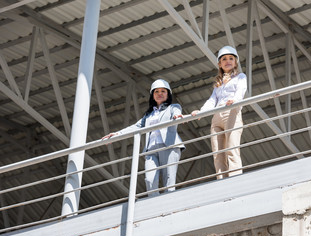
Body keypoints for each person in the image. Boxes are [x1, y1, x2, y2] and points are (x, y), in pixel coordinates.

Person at [102, 79, 185, 197]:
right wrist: (117, 134)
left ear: (168, 94)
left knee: (169, 180)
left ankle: (169, 206)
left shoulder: (172, 108)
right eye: (156, 91)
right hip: (151, 150)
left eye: (163, 91)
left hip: (169, 146)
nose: (160, 93)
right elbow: (135, 127)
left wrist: (177, 116)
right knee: (150, 179)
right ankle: (153, 206)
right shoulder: (148, 115)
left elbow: (177, 112)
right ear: (153, 95)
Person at [191, 46, 247, 179]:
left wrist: (235, 100)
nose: (228, 61)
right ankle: (222, 180)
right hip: (217, 116)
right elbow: (212, 100)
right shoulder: (218, 83)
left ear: (235, 62)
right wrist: (201, 112)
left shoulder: (240, 77)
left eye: (231, 58)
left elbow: (241, 91)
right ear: (219, 64)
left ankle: (235, 179)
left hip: (231, 112)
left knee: (232, 149)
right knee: (218, 153)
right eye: (224, 59)